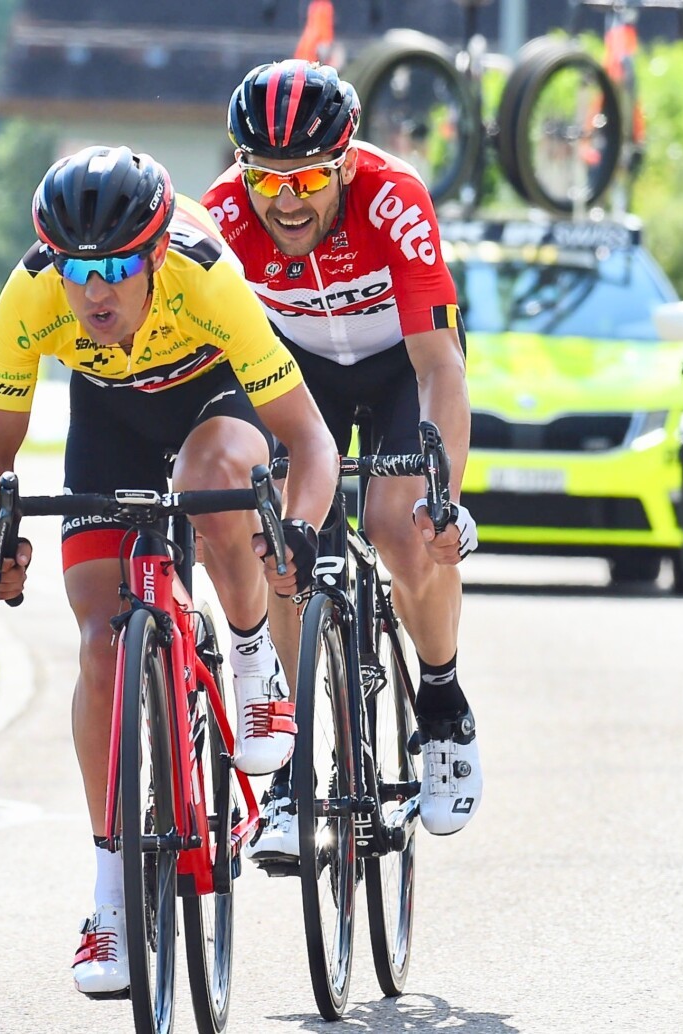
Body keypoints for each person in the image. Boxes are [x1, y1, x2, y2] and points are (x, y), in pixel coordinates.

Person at [0, 145, 338, 997]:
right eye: (77, 267)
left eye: (118, 266)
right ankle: (110, 893)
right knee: (101, 645)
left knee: (211, 483)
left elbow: (311, 442)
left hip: (215, 402)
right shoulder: (29, 298)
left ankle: (249, 656)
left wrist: (303, 533)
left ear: (157, 255)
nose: (95, 289)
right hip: (110, 421)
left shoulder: (207, 280)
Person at [203, 59, 483, 857]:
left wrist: (445, 497)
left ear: (349, 162)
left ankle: (440, 701)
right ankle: (294, 778)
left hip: (403, 360)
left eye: (310, 178)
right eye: (267, 178)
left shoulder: (395, 199)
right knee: (285, 546)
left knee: (401, 528)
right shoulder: (223, 215)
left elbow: (439, 368)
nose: (286, 201)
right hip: (300, 369)